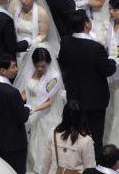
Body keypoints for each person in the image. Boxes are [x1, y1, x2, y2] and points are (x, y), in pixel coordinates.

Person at [59, 10, 118, 156]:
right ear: (86, 24)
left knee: (76, 134)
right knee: (95, 137)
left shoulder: (65, 42)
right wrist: (114, 60)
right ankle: (94, 165)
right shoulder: (95, 48)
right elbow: (108, 70)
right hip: (94, 100)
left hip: (74, 97)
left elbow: (63, 63)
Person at [13, 46, 64, 173]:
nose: (40, 69)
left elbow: (49, 101)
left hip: (45, 114)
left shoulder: (54, 77)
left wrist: (33, 109)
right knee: (31, 144)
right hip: (31, 111)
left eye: (43, 66)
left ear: (49, 63)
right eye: (37, 66)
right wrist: (15, 101)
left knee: (43, 144)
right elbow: (26, 91)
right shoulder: (31, 72)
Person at [0, 54, 30, 174]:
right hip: (14, 143)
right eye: (13, 67)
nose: (16, 70)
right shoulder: (12, 92)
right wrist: (28, 108)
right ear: (3, 70)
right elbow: (22, 117)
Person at [40, 102, 97, 174]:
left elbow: (46, 161)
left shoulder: (53, 133)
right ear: (81, 117)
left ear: (64, 115)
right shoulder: (86, 140)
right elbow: (90, 168)